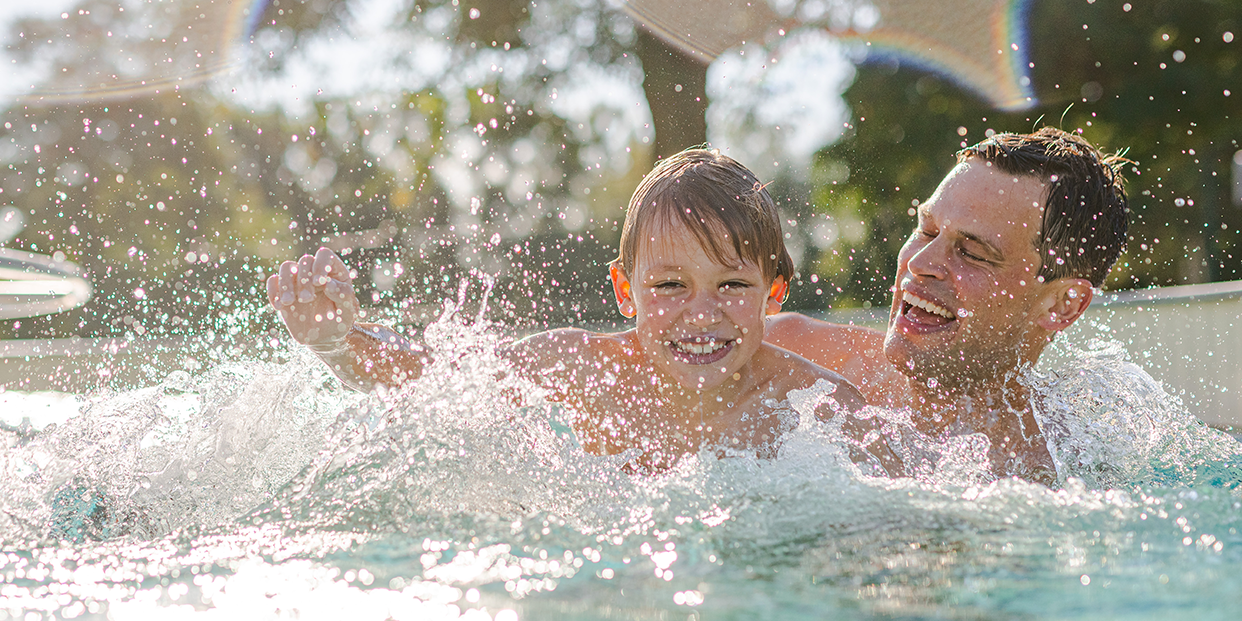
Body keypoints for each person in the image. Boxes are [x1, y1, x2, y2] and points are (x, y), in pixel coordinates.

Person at [266, 148, 888, 473]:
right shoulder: (583, 368)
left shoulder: (819, 408)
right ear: (625, 291)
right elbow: (425, 378)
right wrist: (334, 342)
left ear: (773, 295)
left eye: (731, 285)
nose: (702, 314)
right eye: (670, 285)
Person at [765, 127, 1131, 482]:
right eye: (926, 231)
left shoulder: (1062, 473)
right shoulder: (780, 361)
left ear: (1062, 304)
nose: (919, 262)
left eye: (972, 253)